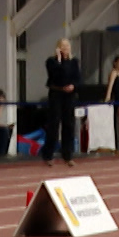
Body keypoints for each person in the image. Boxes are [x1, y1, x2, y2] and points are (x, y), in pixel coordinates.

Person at [41, 37, 81, 167]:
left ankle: (68, 155)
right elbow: (57, 76)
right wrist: (59, 60)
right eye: (63, 46)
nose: (65, 49)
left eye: (67, 46)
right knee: (54, 124)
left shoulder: (74, 62)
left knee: (69, 124)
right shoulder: (51, 62)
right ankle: (48, 155)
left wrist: (73, 86)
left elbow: (77, 78)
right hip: (56, 94)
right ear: (58, 48)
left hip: (69, 96)